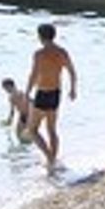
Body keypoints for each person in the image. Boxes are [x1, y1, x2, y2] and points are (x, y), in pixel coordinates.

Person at [23, 21, 78, 173]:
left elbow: (34, 74)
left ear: (40, 37)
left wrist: (27, 92)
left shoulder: (39, 54)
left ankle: (50, 158)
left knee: (32, 130)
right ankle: (52, 162)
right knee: (51, 129)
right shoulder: (62, 52)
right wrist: (73, 89)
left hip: (42, 93)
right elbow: (72, 72)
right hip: (56, 93)